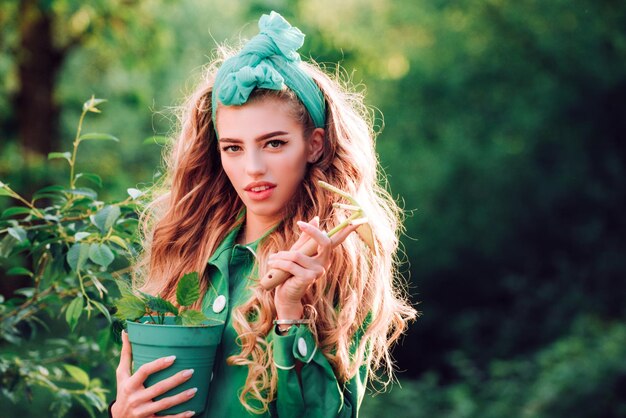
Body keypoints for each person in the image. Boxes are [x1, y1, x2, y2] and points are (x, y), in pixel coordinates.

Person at [110, 11, 416, 418]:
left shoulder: (336, 264)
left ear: (315, 145)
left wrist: (291, 312)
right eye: (233, 148)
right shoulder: (187, 251)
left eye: (273, 143)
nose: (252, 167)